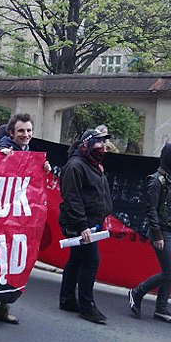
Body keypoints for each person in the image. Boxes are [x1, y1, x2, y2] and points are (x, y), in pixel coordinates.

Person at [0, 113, 50, 327]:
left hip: (19, 222)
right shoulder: (4, 150)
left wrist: (44, 168)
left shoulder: (28, 154)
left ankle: (4, 307)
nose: (26, 134)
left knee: (12, 265)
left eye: (28, 131)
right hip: (1, 220)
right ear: (11, 133)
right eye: (21, 131)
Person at [129, 143, 171, 325]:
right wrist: (157, 234)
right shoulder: (156, 180)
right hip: (163, 232)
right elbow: (151, 209)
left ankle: (161, 309)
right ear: (170, 157)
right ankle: (137, 292)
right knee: (170, 272)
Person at [58, 128, 113, 324]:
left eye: (104, 144)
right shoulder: (75, 166)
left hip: (90, 222)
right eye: (99, 143)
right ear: (87, 144)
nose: (103, 148)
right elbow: (72, 199)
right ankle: (86, 306)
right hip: (79, 223)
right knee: (91, 260)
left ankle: (67, 298)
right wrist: (82, 226)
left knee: (76, 259)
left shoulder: (94, 165)